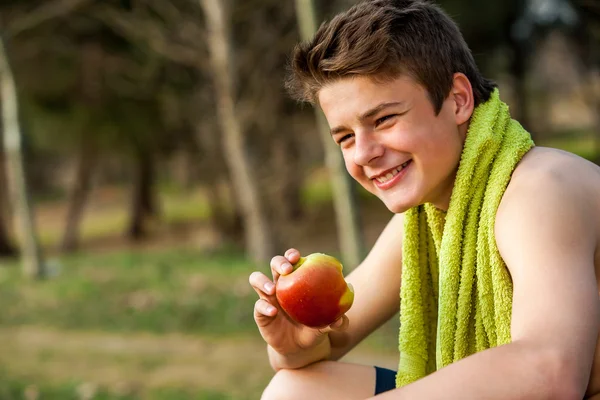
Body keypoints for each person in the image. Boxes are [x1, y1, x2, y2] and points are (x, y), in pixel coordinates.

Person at [248, 0, 600, 398]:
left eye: (383, 119)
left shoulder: (541, 190)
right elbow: (330, 342)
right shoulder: (426, 216)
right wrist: (294, 346)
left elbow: (550, 373)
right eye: (345, 137)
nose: (363, 153)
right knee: (296, 390)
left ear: (458, 100)